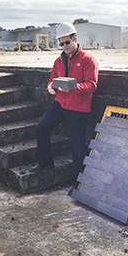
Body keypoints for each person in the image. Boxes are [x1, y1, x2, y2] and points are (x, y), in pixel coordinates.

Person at [31, 22, 99, 191]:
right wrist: (50, 87)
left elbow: (92, 85)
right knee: (41, 128)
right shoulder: (58, 61)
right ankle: (45, 163)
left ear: (75, 39)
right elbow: (52, 78)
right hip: (61, 103)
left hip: (79, 108)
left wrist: (74, 87)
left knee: (77, 144)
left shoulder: (88, 60)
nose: (64, 46)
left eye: (67, 43)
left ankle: (79, 183)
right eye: (60, 44)